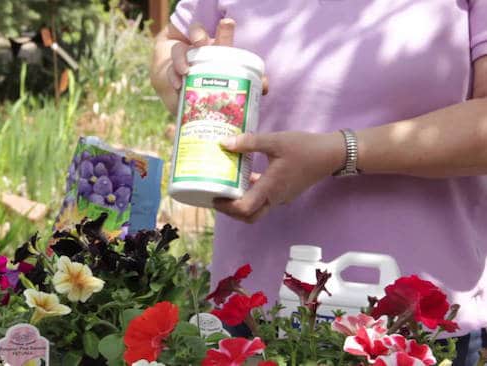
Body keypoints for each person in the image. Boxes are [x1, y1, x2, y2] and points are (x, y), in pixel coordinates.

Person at [150, 1, 487, 364]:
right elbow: (171, 44)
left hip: (416, 330)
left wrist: (340, 152)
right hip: (250, 321)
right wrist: (184, 70)